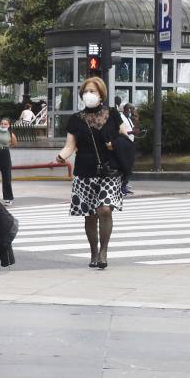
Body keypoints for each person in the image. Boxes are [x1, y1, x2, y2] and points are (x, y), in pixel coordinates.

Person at [56, 77, 128, 270]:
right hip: (85, 171)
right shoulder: (76, 119)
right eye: (86, 91)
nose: (89, 94)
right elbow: (70, 145)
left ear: (101, 94)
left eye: (93, 91)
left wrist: (115, 145)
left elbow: (125, 137)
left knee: (104, 209)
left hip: (110, 170)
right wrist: (61, 156)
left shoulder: (113, 114)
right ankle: (94, 252)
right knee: (90, 215)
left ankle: (104, 252)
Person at [0, 118, 18, 205]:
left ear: (8, 125)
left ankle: (8, 198)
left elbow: (14, 143)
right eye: (2, 123)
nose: (3, 125)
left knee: (7, 177)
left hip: (5, 154)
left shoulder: (11, 134)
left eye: (5, 124)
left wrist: (6, 145)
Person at [119, 103, 136, 195]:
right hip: (124, 144)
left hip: (130, 143)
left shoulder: (128, 118)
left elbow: (131, 128)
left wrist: (135, 131)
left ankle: (124, 185)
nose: (133, 111)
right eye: (131, 109)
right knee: (126, 166)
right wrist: (132, 132)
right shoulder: (121, 117)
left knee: (130, 166)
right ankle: (122, 187)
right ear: (127, 109)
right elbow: (121, 131)